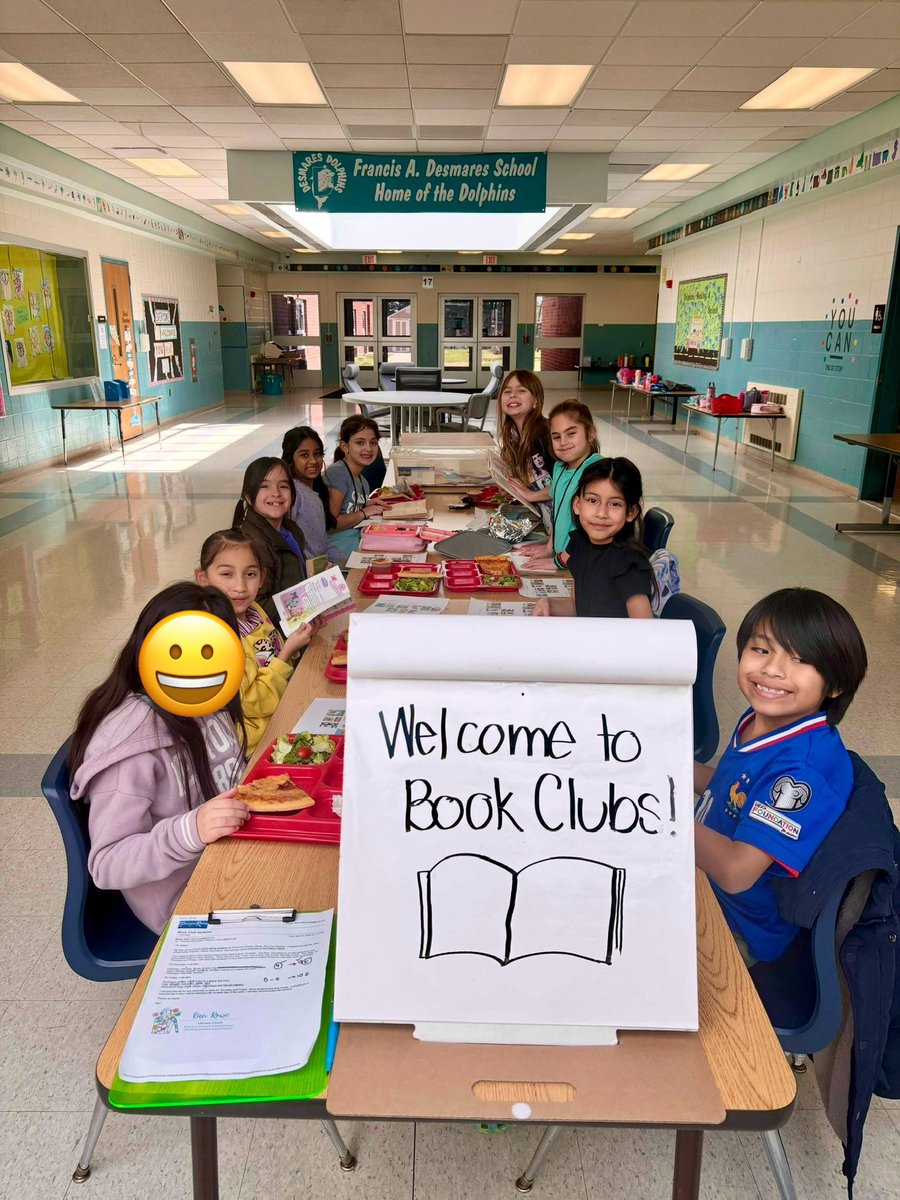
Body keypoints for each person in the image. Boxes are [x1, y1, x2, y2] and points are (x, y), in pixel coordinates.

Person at [693, 588, 868, 965]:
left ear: (836, 684)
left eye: (800, 659)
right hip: (700, 873)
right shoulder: (762, 720)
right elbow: (733, 791)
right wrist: (660, 767)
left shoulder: (803, 770)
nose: (772, 670)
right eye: (761, 649)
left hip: (735, 926)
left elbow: (737, 871)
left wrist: (656, 820)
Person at [68, 583, 249, 934]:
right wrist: (191, 830)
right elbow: (107, 864)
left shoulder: (208, 702)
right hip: (185, 901)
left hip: (230, 858)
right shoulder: (131, 743)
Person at [195, 529, 316, 755]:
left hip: (283, 709)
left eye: (250, 574)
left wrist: (295, 640)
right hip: (255, 744)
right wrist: (287, 653)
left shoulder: (254, 611)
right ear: (203, 578)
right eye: (227, 574)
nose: (240, 586)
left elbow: (270, 653)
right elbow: (253, 703)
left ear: (261, 577)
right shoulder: (218, 640)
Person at [531, 457, 653, 619]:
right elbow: (578, 606)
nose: (601, 513)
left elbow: (645, 629)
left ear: (631, 512)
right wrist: (548, 604)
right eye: (592, 500)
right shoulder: (579, 543)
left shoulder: (629, 564)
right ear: (577, 505)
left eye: (615, 504)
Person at [517, 400, 601, 572]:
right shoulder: (560, 467)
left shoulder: (598, 472)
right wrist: (550, 548)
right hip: (563, 557)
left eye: (571, 434)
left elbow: (593, 528)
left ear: (591, 434)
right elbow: (559, 514)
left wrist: (561, 561)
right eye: (556, 437)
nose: (563, 442)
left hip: (583, 562)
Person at [233, 457, 306, 624]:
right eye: (265, 486)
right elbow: (257, 607)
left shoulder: (291, 530)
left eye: (283, 486)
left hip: (300, 621)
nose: (276, 493)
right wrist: (306, 600)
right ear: (249, 497)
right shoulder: (253, 544)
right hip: (280, 634)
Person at [322, 415, 386, 563]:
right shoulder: (337, 473)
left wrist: (366, 504)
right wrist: (364, 512)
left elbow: (347, 508)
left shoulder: (363, 481)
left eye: (373, 442)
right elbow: (331, 524)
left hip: (357, 548)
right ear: (344, 447)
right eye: (360, 442)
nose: (368, 448)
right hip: (337, 557)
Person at [494, 371, 554, 523]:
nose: (512, 395)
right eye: (507, 391)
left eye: (521, 390)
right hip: (547, 525)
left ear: (536, 401)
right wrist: (513, 490)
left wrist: (531, 495)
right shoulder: (515, 443)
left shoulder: (548, 434)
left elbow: (570, 482)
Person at [281, 425, 337, 566]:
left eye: (317, 454)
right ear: (291, 459)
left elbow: (322, 542)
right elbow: (290, 543)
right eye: (304, 455)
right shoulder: (292, 493)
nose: (313, 461)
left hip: (325, 563)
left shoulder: (316, 489)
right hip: (309, 570)